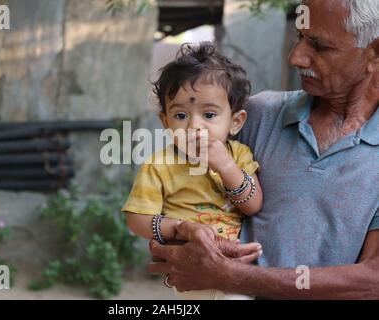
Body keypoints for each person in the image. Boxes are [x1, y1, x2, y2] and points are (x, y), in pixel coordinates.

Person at [148, 0, 379, 299]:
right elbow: (175, 202)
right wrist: (182, 234)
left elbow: (372, 280)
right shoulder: (259, 114)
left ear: (374, 52)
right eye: (300, 37)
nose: (296, 57)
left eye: (319, 46)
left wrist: (236, 277)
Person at [122, 43, 264, 300]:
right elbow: (136, 220)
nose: (194, 125)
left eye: (209, 114)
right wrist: (178, 228)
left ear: (235, 122)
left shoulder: (238, 155)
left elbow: (253, 205)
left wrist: (226, 167)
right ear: (165, 122)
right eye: (180, 115)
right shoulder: (159, 165)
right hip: (192, 266)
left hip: (237, 266)